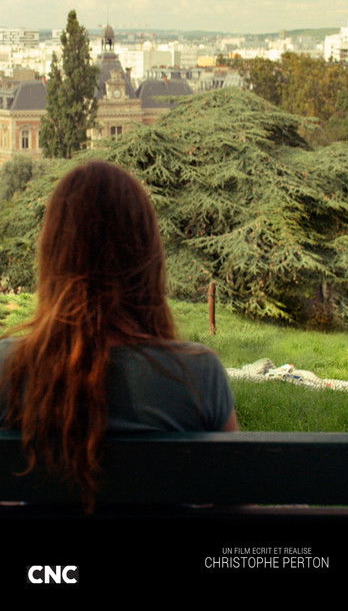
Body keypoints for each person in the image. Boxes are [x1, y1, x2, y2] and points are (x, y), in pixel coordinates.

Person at [0, 160, 238, 510]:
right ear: (147, 256)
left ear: (53, 255)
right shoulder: (199, 373)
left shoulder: (7, 367)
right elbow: (234, 498)